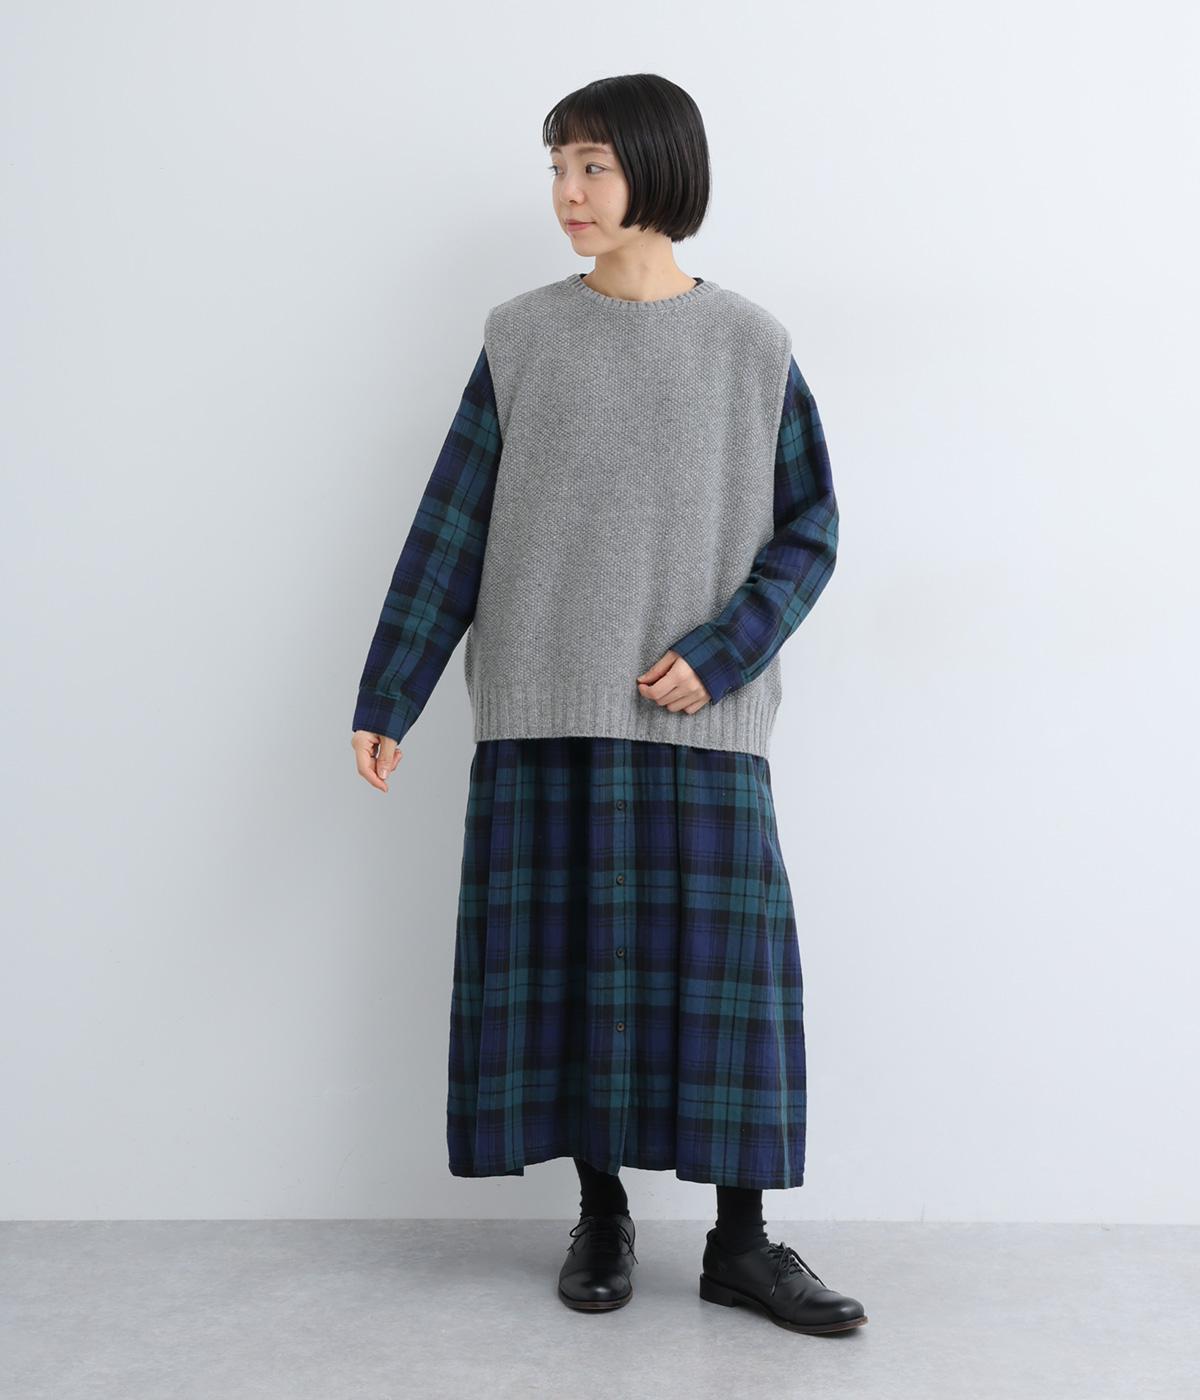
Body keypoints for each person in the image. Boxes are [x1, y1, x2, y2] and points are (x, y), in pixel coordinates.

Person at [350, 72, 866, 1336]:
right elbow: (452, 525)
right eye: (557, 168)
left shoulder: (751, 344)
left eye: (592, 166)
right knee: (575, 976)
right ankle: (602, 1215)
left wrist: (726, 652)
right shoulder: (521, 336)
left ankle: (742, 1242)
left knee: (729, 983)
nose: (568, 194)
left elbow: (811, 529)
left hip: (699, 720)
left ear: (657, 169)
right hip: (545, 708)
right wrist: (390, 692)